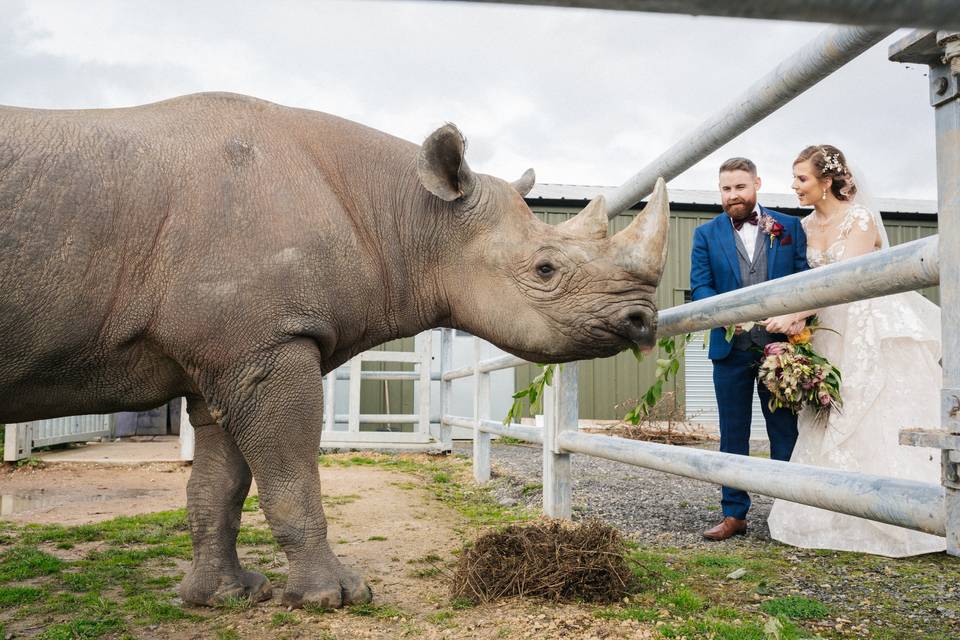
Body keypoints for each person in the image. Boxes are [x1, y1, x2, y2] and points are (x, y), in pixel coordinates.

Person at [766, 145, 945, 557]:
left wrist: (796, 313)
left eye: (802, 179)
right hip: (828, 329)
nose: (794, 186)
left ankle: (906, 514)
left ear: (826, 181)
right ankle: (832, 510)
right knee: (830, 410)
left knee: (876, 405)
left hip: (866, 323)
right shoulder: (802, 227)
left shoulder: (859, 219)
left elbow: (844, 281)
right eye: (794, 179)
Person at [690, 157, 809, 541]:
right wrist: (726, 315)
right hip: (730, 350)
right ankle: (734, 515)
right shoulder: (705, 235)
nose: (732, 195)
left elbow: (804, 278)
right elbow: (702, 286)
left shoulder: (787, 227)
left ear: (757, 183)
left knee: (784, 431)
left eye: (740, 187)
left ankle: (791, 513)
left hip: (778, 348)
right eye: (726, 188)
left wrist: (793, 317)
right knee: (732, 434)